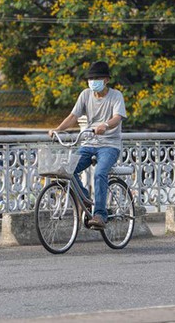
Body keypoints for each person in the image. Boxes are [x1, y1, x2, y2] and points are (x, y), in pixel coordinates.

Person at [47, 61, 127, 230]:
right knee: (66, 170)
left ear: (106, 80)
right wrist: (58, 129)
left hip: (110, 145)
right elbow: (73, 116)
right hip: (89, 142)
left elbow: (117, 118)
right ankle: (85, 199)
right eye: (90, 79)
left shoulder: (116, 96)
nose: (93, 82)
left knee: (99, 173)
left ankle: (100, 215)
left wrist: (105, 125)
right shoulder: (85, 95)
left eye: (97, 78)